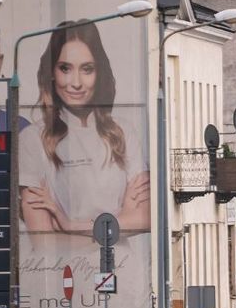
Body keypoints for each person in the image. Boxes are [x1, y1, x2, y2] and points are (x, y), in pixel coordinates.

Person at [19, 20, 148, 236]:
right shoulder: (31, 139)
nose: (76, 83)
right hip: (66, 261)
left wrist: (70, 225)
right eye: (65, 68)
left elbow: (144, 219)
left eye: (87, 69)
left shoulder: (123, 133)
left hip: (124, 259)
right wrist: (121, 219)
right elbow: (45, 244)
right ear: (51, 73)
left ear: (99, 73)